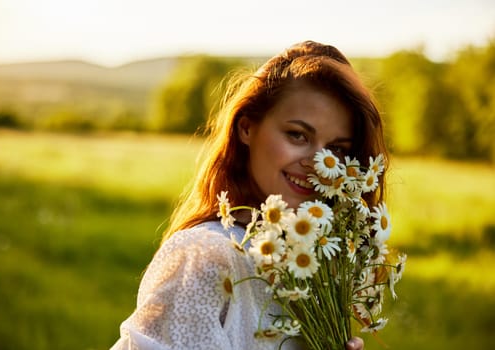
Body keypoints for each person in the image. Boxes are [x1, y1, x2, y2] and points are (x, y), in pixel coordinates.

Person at [111, 40, 388, 350]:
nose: (318, 164)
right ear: (247, 128)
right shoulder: (205, 257)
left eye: (337, 149)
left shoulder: (308, 270)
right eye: (297, 134)